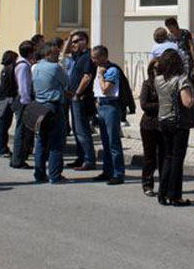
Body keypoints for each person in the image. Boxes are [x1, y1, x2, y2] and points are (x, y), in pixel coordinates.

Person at [154, 49, 194, 206]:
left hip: (163, 119)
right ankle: (175, 195)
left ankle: (162, 192)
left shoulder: (158, 80)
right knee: (177, 159)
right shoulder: (181, 79)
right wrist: (192, 94)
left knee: (167, 157)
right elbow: (187, 102)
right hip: (178, 122)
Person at [31, 41, 70, 184]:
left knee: (41, 141)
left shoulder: (36, 67)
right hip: (53, 105)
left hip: (39, 105)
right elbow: (67, 82)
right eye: (55, 53)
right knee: (56, 142)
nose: (58, 55)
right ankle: (55, 175)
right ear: (48, 54)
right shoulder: (55, 68)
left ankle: (39, 175)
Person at [91, 45, 125, 185]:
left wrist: (100, 75)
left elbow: (106, 89)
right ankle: (107, 170)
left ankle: (118, 173)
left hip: (111, 106)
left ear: (103, 56)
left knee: (113, 142)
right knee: (105, 141)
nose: (93, 60)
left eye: (95, 57)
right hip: (102, 106)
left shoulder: (111, 70)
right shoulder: (100, 69)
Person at [68, 31, 96, 171]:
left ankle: (89, 160)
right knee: (76, 129)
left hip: (81, 97)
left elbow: (87, 77)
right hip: (74, 96)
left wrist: (78, 93)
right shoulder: (78, 55)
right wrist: (69, 38)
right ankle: (80, 157)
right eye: (73, 42)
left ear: (84, 41)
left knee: (82, 130)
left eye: (77, 41)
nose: (74, 44)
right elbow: (65, 52)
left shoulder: (87, 57)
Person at [138, 60, 164, 197]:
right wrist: (162, 105)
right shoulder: (148, 84)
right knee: (150, 157)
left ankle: (164, 185)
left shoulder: (168, 84)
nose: (158, 71)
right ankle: (147, 184)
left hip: (164, 124)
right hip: (149, 124)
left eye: (161, 68)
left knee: (163, 157)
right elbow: (144, 105)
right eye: (156, 68)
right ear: (151, 70)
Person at [10, 40, 35, 169]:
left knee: (23, 130)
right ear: (30, 52)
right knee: (21, 131)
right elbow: (23, 86)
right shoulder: (23, 66)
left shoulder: (21, 63)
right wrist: (27, 103)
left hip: (21, 100)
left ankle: (17, 157)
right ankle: (18, 159)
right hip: (22, 101)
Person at [0, 50, 18, 158]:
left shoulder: (3, 69)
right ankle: (2, 149)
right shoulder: (11, 69)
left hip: (1, 99)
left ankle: (1, 148)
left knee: (2, 125)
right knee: (4, 125)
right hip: (7, 99)